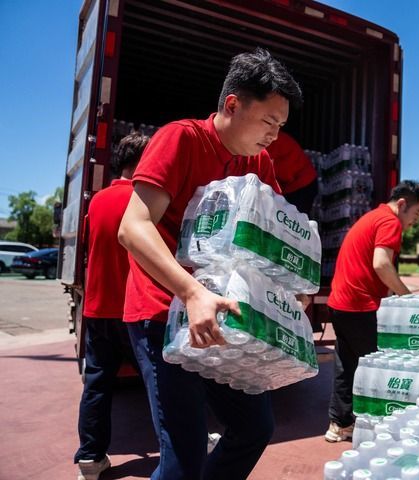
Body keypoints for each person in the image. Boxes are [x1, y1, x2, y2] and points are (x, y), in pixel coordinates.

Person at [117, 48, 302, 480]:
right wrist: (192, 291)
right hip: (165, 311)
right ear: (233, 104)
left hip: (222, 313)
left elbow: (271, 234)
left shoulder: (259, 162)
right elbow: (133, 227)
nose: (274, 135)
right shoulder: (180, 139)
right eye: (268, 122)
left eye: (281, 126)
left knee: (255, 426)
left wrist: (292, 287)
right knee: (184, 454)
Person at [325, 180, 419, 442]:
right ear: (403, 204)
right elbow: (381, 264)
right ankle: (386, 427)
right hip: (359, 305)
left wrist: (398, 288)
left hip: (341, 303)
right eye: (417, 213)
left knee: (346, 365)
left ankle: (340, 425)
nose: (416, 220)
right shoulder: (390, 222)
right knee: (381, 367)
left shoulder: (373, 217)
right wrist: (407, 298)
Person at [75, 132, 150, 480]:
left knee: (97, 385)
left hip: (96, 307)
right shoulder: (143, 200)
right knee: (161, 382)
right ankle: (185, 441)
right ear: (142, 162)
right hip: (133, 309)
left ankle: (90, 458)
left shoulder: (97, 201)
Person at [265, 130, 318, 215]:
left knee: (293, 221)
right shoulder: (270, 140)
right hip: (294, 185)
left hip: (302, 185)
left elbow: (285, 175)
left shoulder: (272, 141)